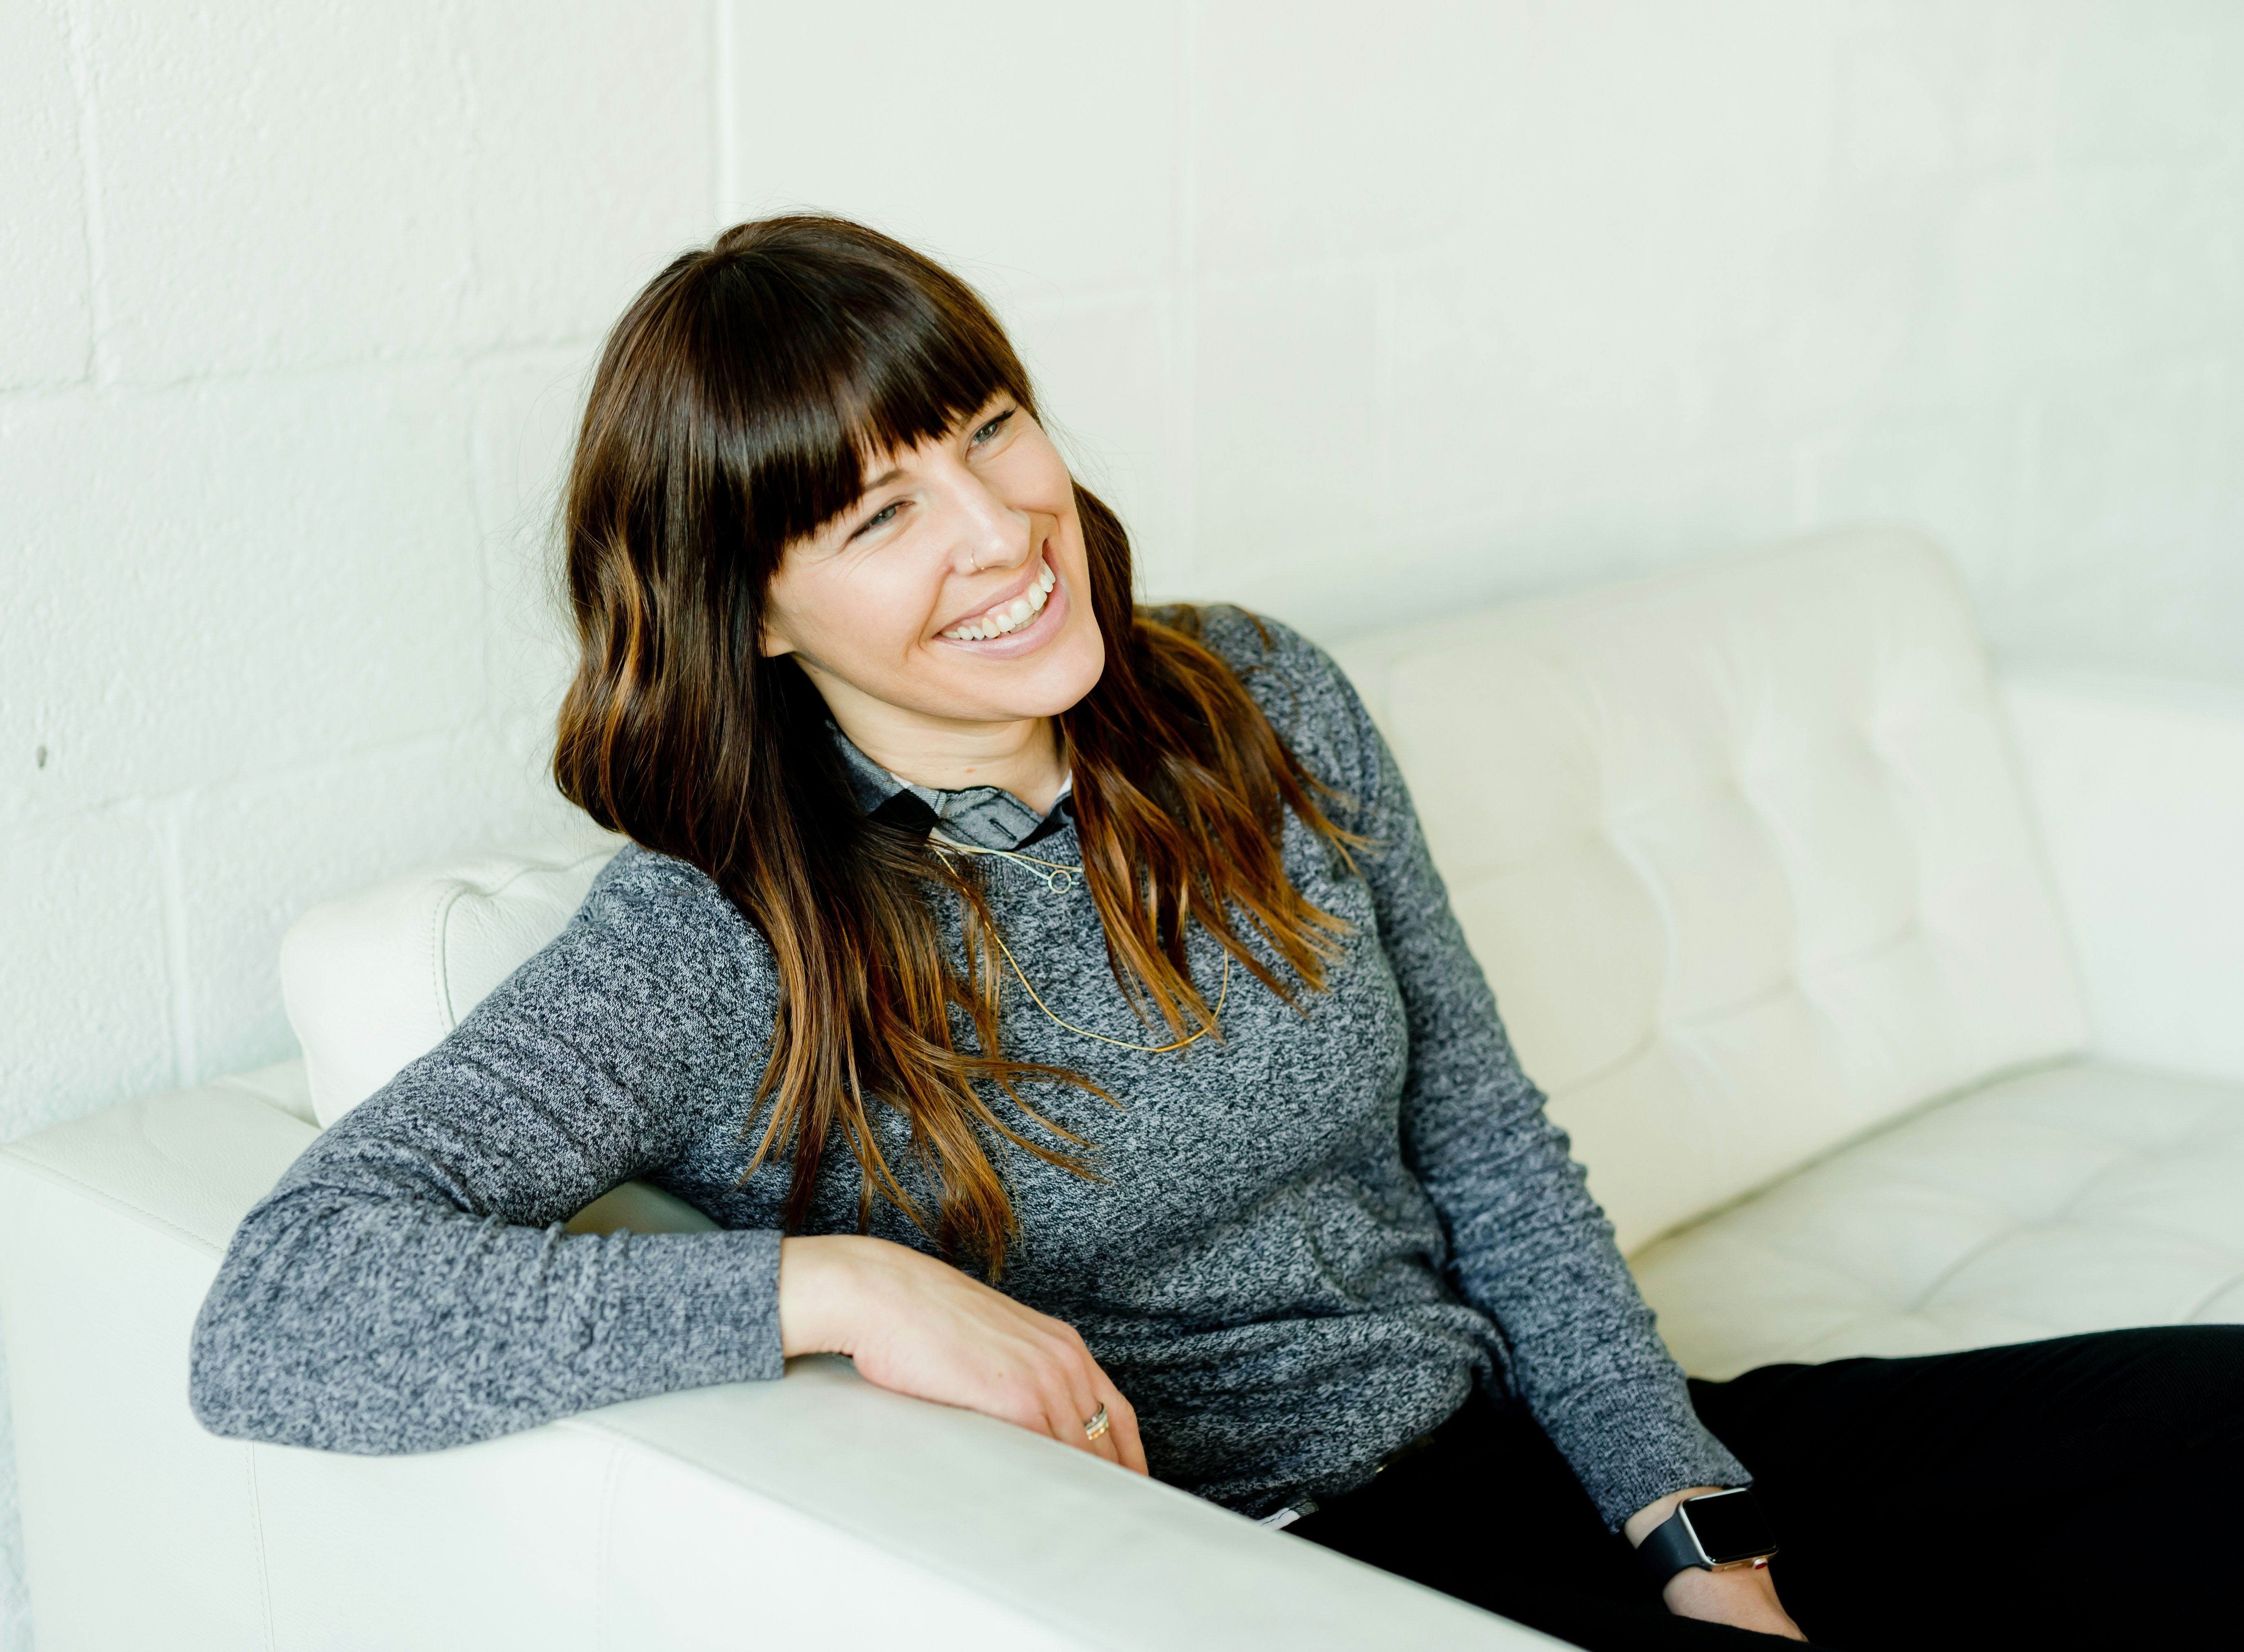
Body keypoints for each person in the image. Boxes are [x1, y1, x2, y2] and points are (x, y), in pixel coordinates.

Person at [189, 216, 2243, 1650]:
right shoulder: (724, 925)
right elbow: (278, 1309)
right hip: (1293, 1568)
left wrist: (1688, 1523)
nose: (1002, 530)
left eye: (989, 429)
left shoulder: (1252, 697)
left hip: (1532, 1434)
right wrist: (828, 1284)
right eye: (878, 513)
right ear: (749, 608)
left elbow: (1489, 1147)